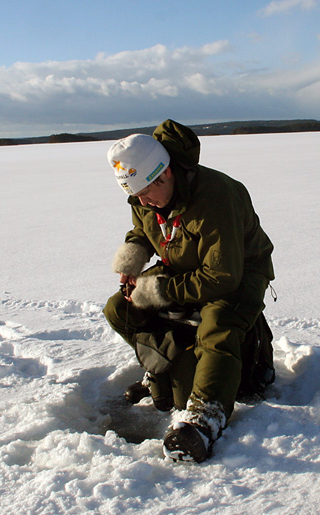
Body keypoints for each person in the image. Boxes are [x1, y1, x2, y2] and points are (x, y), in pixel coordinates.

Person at [103, 119, 275, 463]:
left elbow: (222, 277)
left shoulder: (217, 197)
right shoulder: (146, 195)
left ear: (164, 174)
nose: (143, 202)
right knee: (119, 309)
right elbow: (143, 227)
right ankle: (163, 368)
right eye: (135, 197)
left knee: (217, 325)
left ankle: (204, 419)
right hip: (182, 263)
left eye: (145, 194)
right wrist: (134, 257)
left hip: (238, 273)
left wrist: (159, 290)